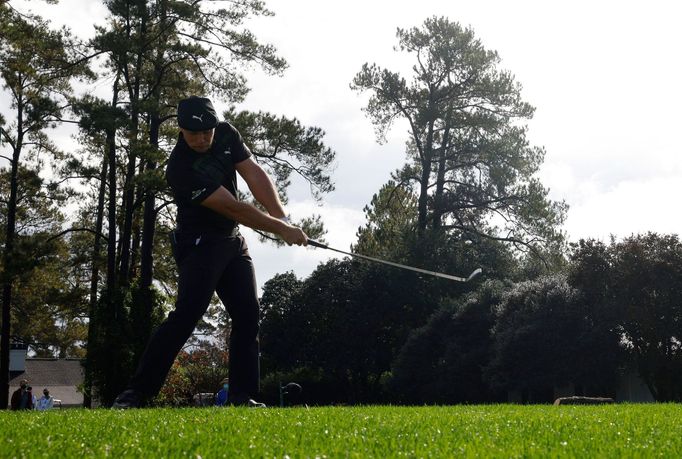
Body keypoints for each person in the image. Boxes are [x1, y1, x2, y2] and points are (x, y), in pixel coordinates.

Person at [113, 96, 307, 409]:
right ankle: (136, 392)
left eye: (208, 132)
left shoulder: (227, 134)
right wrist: (279, 230)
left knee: (248, 314)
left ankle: (242, 397)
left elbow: (254, 174)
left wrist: (282, 217)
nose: (202, 139)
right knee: (186, 316)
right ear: (180, 130)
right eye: (194, 134)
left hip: (231, 240)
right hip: (200, 244)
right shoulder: (180, 168)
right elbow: (233, 206)